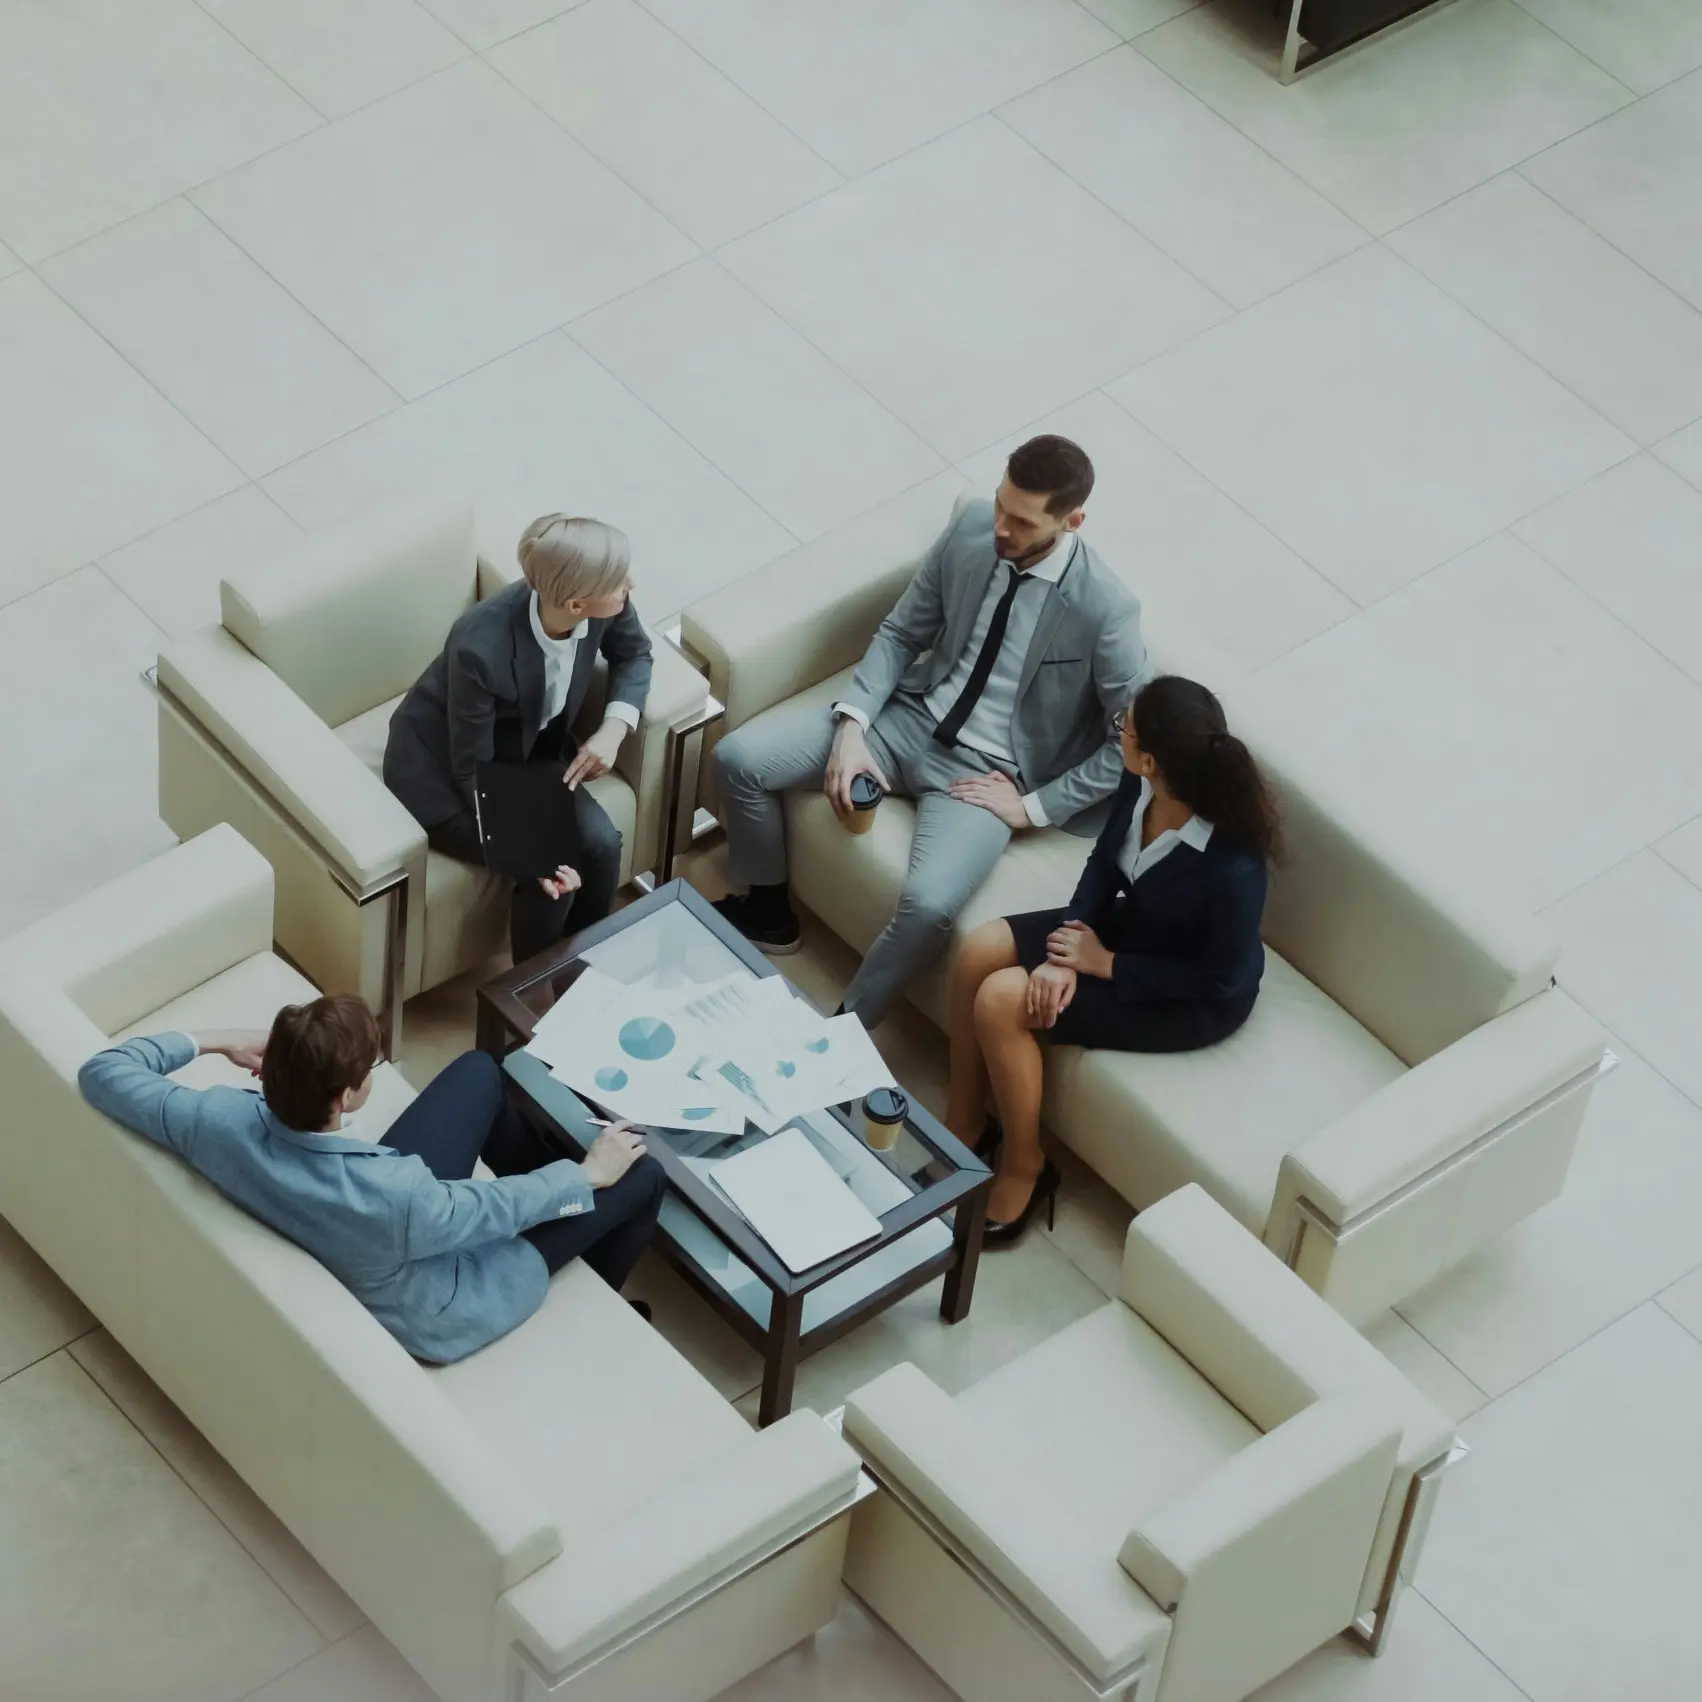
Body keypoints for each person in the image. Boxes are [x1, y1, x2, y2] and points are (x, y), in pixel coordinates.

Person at [712, 436, 1148, 1029]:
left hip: (988, 778)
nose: (1001, 527)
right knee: (740, 758)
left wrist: (1032, 807)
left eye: (1021, 521)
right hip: (907, 719)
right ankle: (767, 911)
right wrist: (852, 727)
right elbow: (902, 633)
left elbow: (1130, 747)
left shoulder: (1107, 610)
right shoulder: (972, 526)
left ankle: (842, 1037)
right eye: (1000, 505)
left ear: (1072, 521)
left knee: (930, 904)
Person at [77, 994, 666, 1363]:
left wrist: (217, 1040)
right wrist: (586, 1175)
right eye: (370, 1067)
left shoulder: (214, 1120)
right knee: (640, 1180)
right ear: (343, 1095)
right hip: (440, 1296)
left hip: (350, 1216)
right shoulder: (400, 1196)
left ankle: (574, 1200)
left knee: (480, 1072)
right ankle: (599, 1289)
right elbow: (492, 1209)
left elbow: (104, 1072)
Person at [944, 675, 1280, 1246]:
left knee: (1001, 1001)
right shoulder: (1142, 787)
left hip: (1186, 995)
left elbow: (1219, 980)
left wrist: (1103, 965)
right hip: (1136, 930)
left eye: (1125, 728)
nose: (1117, 731)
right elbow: (1104, 863)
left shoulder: (1235, 868)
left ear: (1151, 759)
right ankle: (964, 1123)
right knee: (978, 951)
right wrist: (1069, 944)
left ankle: (1027, 1167)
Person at [383, 514, 653, 966]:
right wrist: (527, 851)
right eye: (617, 581)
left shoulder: (606, 602)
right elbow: (470, 766)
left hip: (530, 755)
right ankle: (532, 995)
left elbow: (635, 653)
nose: (631, 583)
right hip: (447, 775)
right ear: (575, 604)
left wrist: (614, 727)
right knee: (553, 870)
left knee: (603, 845)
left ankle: (584, 969)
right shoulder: (479, 646)